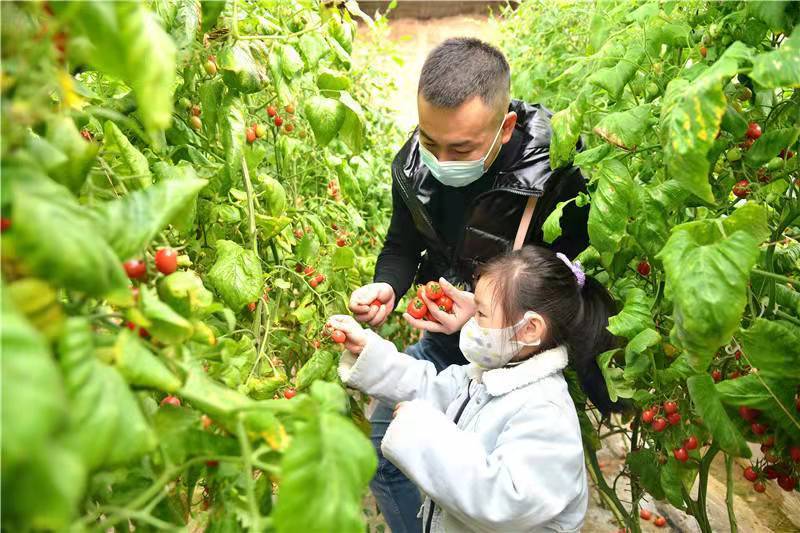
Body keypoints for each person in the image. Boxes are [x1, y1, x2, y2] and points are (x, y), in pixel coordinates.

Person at [348, 37, 591, 531]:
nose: (441, 158)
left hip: (517, 353)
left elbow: (570, 282)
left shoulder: (559, 170)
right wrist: (387, 287)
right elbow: (401, 244)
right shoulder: (413, 164)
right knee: (385, 454)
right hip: (451, 342)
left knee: (479, 478)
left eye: (461, 148)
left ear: (506, 128)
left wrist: (487, 317)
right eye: (429, 140)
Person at [331, 246, 619, 533]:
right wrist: (368, 352)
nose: (470, 322)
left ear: (530, 328)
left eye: (480, 313)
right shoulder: (493, 375)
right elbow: (433, 388)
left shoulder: (547, 414)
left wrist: (420, 432)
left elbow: (504, 502)